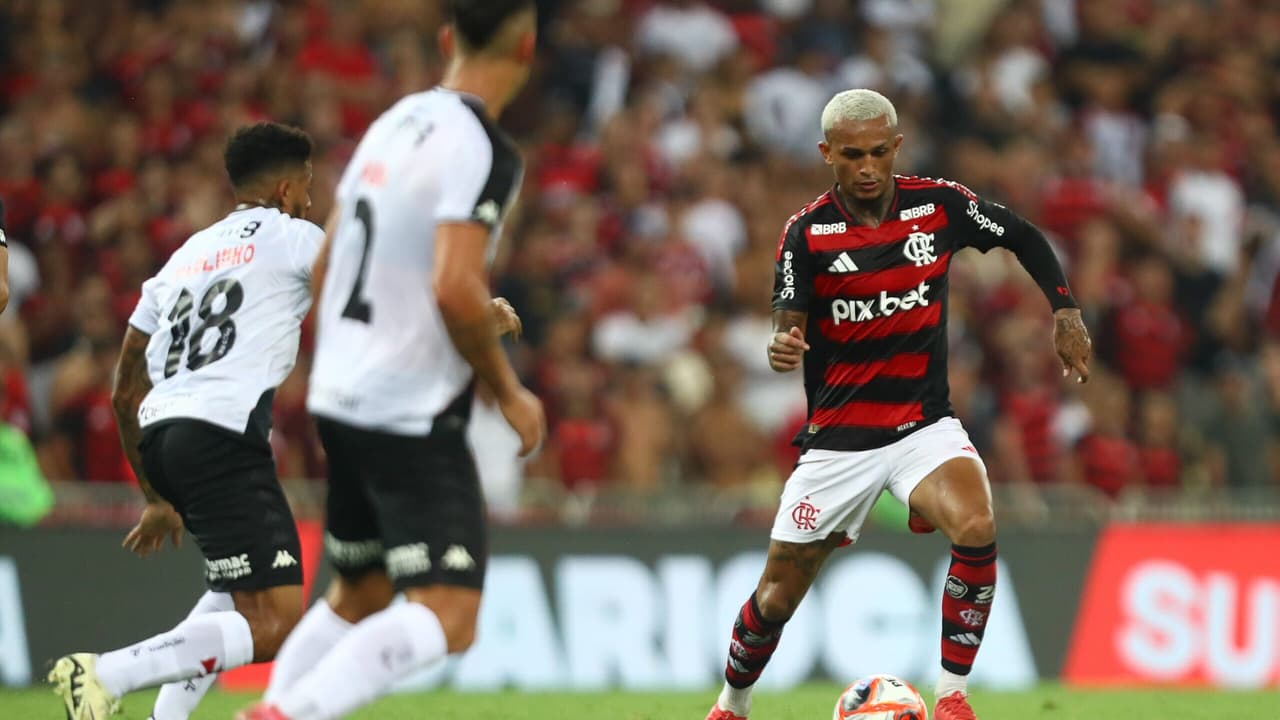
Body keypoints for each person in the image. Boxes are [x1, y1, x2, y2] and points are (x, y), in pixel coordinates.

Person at [704, 89, 1092, 720]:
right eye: (851, 154)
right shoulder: (806, 233)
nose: (866, 167)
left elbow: (1022, 234)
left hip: (923, 426)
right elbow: (788, 316)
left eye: (878, 152)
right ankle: (732, 704)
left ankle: (953, 698)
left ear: (896, 147)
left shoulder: (938, 205)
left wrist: (1066, 310)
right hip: (838, 440)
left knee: (977, 525)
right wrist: (783, 341)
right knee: (775, 597)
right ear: (827, 153)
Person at [239, 2, 545, 718]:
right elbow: (452, 283)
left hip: (341, 394)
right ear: (527, 47)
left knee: (361, 592)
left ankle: (274, 706)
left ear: (446, 41)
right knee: (449, 613)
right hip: (406, 409)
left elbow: (329, 260)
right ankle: (287, 714)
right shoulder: (485, 148)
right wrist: (507, 391)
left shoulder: (397, 121)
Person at [48, 122, 322, 720]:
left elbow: (124, 392)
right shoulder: (295, 238)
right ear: (283, 190)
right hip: (223, 436)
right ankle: (103, 674)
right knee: (275, 624)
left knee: (230, 588)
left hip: (164, 438)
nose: (310, 199)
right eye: (305, 186)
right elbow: (365, 287)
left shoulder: (183, 258)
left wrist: (155, 494)